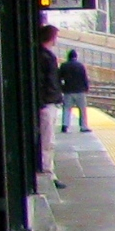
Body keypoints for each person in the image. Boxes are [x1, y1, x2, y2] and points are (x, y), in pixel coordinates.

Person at [36, 23, 65, 190]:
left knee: (49, 141)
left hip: (48, 102)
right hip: (46, 104)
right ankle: (47, 173)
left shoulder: (44, 55)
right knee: (48, 141)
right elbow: (44, 81)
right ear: (51, 37)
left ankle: (48, 171)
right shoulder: (45, 57)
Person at [58, 47, 91, 132]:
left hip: (68, 91)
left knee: (66, 108)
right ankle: (83, 126)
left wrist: (62, 88)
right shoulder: (80, 66)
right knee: (82, 110)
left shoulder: (64, 65)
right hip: (80, 91)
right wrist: (86, 88)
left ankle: (65, 125)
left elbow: (59, 78)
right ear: (76, 57)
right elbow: (85, 78)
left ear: (68, 57)